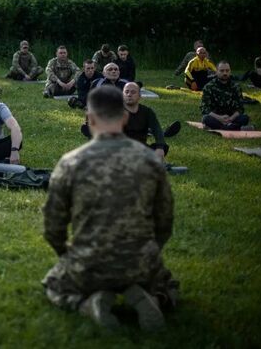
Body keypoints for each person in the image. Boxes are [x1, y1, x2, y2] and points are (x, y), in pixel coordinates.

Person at [42, 86, 177, 330]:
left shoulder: (71, 162)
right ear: (125, 118)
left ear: (90, 119)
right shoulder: (150, 161)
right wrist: (149, 251)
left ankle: (88, 303)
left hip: (90, 263)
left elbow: (53, 226)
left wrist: (68, 255)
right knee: (167, 283)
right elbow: (164, 220)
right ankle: (153, 298)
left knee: (54, 282)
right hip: (141, 263)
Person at [123, 82, 179, 160]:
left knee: (163, 148)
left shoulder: (147, 111)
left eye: (133, 92)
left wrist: (160, 147)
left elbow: (157, 129)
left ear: (139, 96)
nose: (129, 94)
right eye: (126, 92)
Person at [200, 61, 251, 130]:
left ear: (230, 71)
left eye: (227, 71)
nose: (225, 73)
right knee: (205, 118)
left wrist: (231, 118)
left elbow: (240, 108)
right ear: (216, 72)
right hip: (216, 117)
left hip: (231, 117)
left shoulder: (235, 87)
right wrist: (220, 118)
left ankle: (225, 127)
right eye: (222, 71)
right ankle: (235, 127)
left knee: (245, 118)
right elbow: (205, 108)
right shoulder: (209, 87)